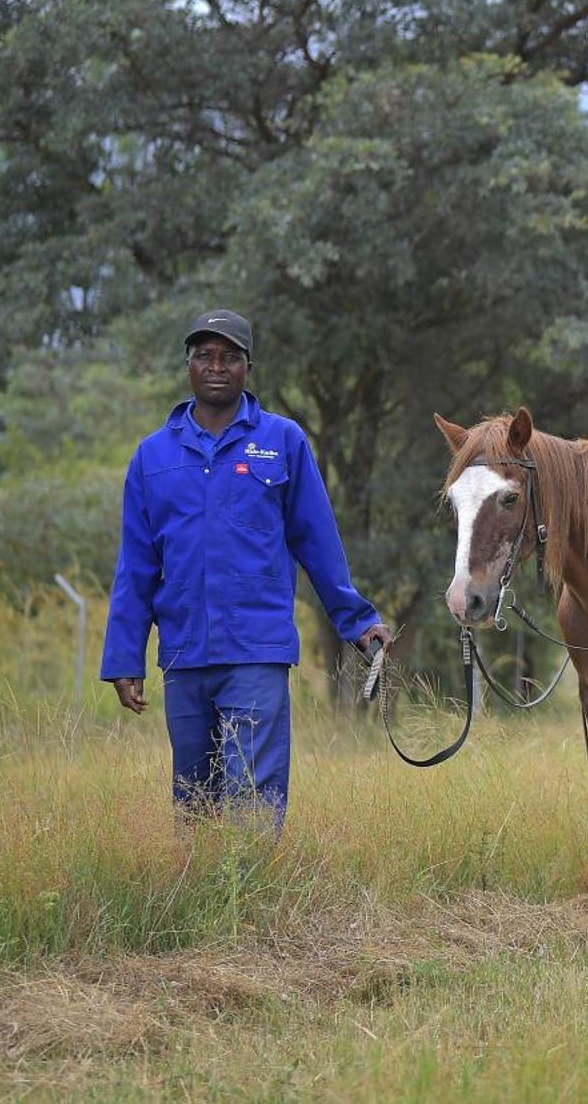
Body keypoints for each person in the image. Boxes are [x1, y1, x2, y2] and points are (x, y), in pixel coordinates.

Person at [101, 310, 391, 826]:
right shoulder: (153, 457)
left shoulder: (282, 442)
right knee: (195, 800)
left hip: (256, 650)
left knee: (252, 797)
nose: (217, 366)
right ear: (188, 366)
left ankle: (251, 904)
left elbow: (317, 541)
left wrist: (358, 620)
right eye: (205, 356)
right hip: (185, 654)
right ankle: (205, 901)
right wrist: (125, 658)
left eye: (230, 357)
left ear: (247, 368)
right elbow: (136, 567)